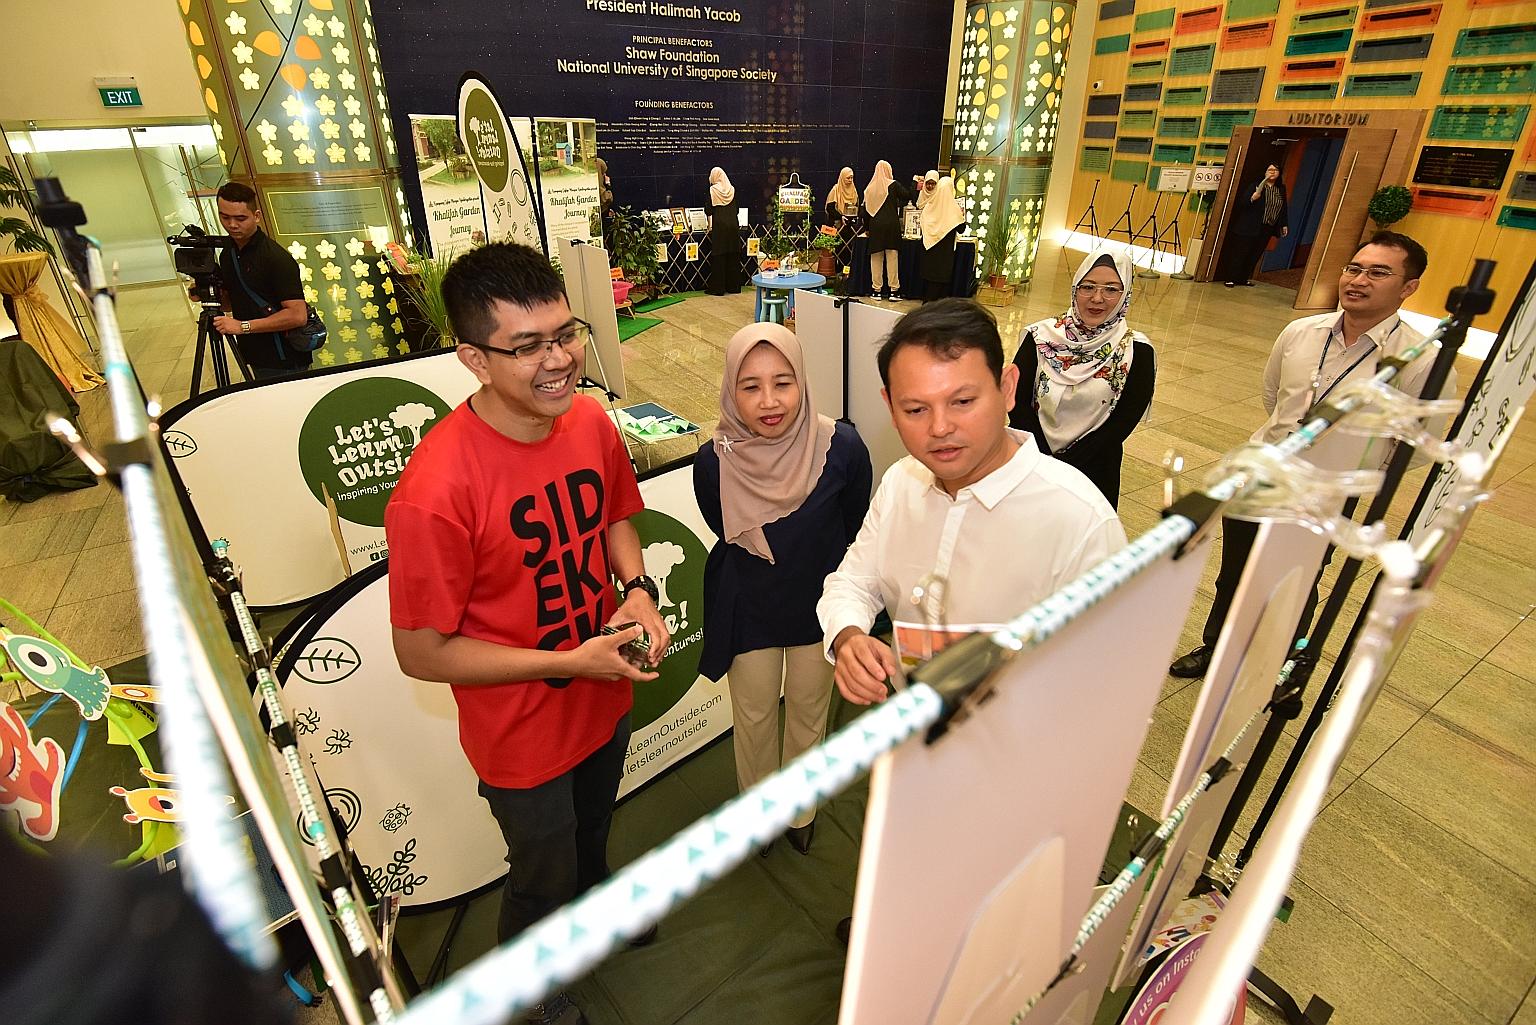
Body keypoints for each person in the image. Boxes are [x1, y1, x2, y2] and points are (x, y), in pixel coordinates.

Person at [384, 242, 671, 1025]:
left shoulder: (589, 419)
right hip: (521, 733)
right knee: (540, 872)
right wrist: (565, 660)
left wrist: (636, 587)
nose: (560, 360)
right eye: (529, 346)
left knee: (594, 832)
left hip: (603, 690)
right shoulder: (436, 487)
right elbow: (420, 650)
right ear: (474, 358)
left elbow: (616, 513)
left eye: (566, 333)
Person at [817, 298, 1128, 709]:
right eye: (915, 409)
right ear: (890, 407)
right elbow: (853, 581)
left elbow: (1106, 680)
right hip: (913, 720)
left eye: (962, 402)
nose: (940, 428)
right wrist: (848, 635)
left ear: (1007, 388)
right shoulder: (901, 483)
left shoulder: (1080, 520)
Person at [1170, 231, 1454, 678]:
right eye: (1354, 268)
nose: (1358, 280)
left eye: (1378, 273)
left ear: (1409, 287)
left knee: (1297, 581)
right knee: (1236, 571)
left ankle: (1276, 664)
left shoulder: (1420, 361)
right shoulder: (1301, 332)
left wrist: (1351, 471)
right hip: (1262, 473)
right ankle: (1216, 647)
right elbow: (1274, 397)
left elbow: (1417, 444)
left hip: (1325, 494)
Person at [693, 323, 872, 856]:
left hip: (820, 606)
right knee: (752, 717)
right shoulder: (714, 460)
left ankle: (800, 809)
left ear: (803, 382)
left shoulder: (842, 447)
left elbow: (855, 525)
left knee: (809, 710)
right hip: (749, 605)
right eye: (750, 386)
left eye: (783, 383)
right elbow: (720, 526)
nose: (769, 402)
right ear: (730, 389)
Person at [1008, 251, 1156, 507]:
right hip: (1031, 460)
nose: (1097, 298)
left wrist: (1067, 466)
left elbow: (1122, 423)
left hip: (1094, 469)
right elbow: (1017, 401)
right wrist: (1043, 458)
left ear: (1125, 295)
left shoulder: (1137, 351)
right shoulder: (1040, 337)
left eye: (1111, 289)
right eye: (1087, 287)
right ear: (1075, 288)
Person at [212, 182, 310, 379]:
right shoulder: (228, 253)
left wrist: (242, 326)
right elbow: (231, 303)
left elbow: (297, 315)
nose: (232, 225)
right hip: (254, 353)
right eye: (225, 217)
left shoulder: (275, 257)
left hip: (284, 358)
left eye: (240, 218)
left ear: (256, 216)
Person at [1221, 163, 1289, 288]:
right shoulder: (1256, 185)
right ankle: (1230, 278)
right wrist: (1253, 198)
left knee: (1255, 253)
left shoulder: (1281, 189)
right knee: (1241, 252)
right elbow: (1243, 203)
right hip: (1249, 225)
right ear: (1265, 172)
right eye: (1270, 169)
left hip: (1267, 227)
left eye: (1275, 170)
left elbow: (1283, 208)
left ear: (1279, 173)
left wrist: (1284, 224)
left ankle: (1243, 278)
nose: (1272, 172)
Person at [863, 160, 915, 301]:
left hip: (875, 227)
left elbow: (865, 212)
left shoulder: (869, 189)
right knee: (892, 257)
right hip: (891, 225)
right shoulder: (893, 184)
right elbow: (907, 195)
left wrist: (867, 228)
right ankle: (893, 291)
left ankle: (876, 290)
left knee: (876, 258)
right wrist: (914, 182)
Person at [916, 175, 966, 303]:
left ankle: (926, 308)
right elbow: (961, 229)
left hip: (929, 252)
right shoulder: (954, 209)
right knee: (941, 289)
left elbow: (922, 224)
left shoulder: (929, 206)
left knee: (929, 286)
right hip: (945, 256)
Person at [706, 166, 742, 296]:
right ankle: (734, 287)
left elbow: (708, 210)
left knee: (719, 257)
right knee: (733, 256)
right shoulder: (732, 189)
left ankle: (718, 288)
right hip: (733, 226)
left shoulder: (712, 191)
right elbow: (737, 210)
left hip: (720, 227)